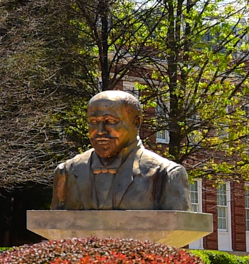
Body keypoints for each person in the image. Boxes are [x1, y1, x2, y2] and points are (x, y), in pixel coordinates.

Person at [51, 89, 191, 211]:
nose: (100, 131)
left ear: (136, 123)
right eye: (93, 122)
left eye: (110, 121)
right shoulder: (66, 172)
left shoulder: (166, 175)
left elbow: (179, 228)